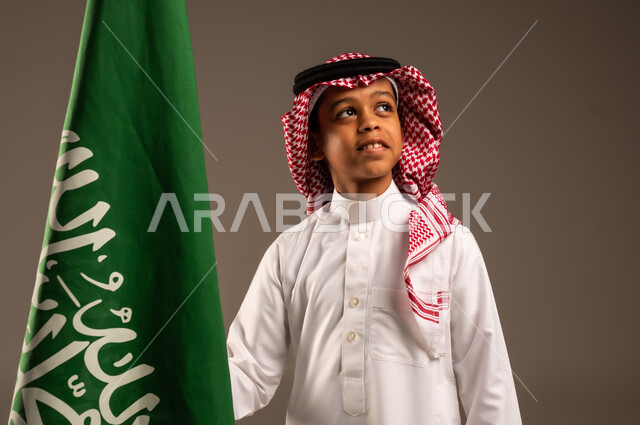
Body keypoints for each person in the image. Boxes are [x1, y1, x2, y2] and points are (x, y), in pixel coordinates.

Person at [226, 52, 522, 425]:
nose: (369, 123)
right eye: (347, 113)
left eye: (383, 107)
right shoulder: (290, 252)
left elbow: (487, 380)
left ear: (402, 127)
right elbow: (248, 372)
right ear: (314, 144)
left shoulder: (447, 243)